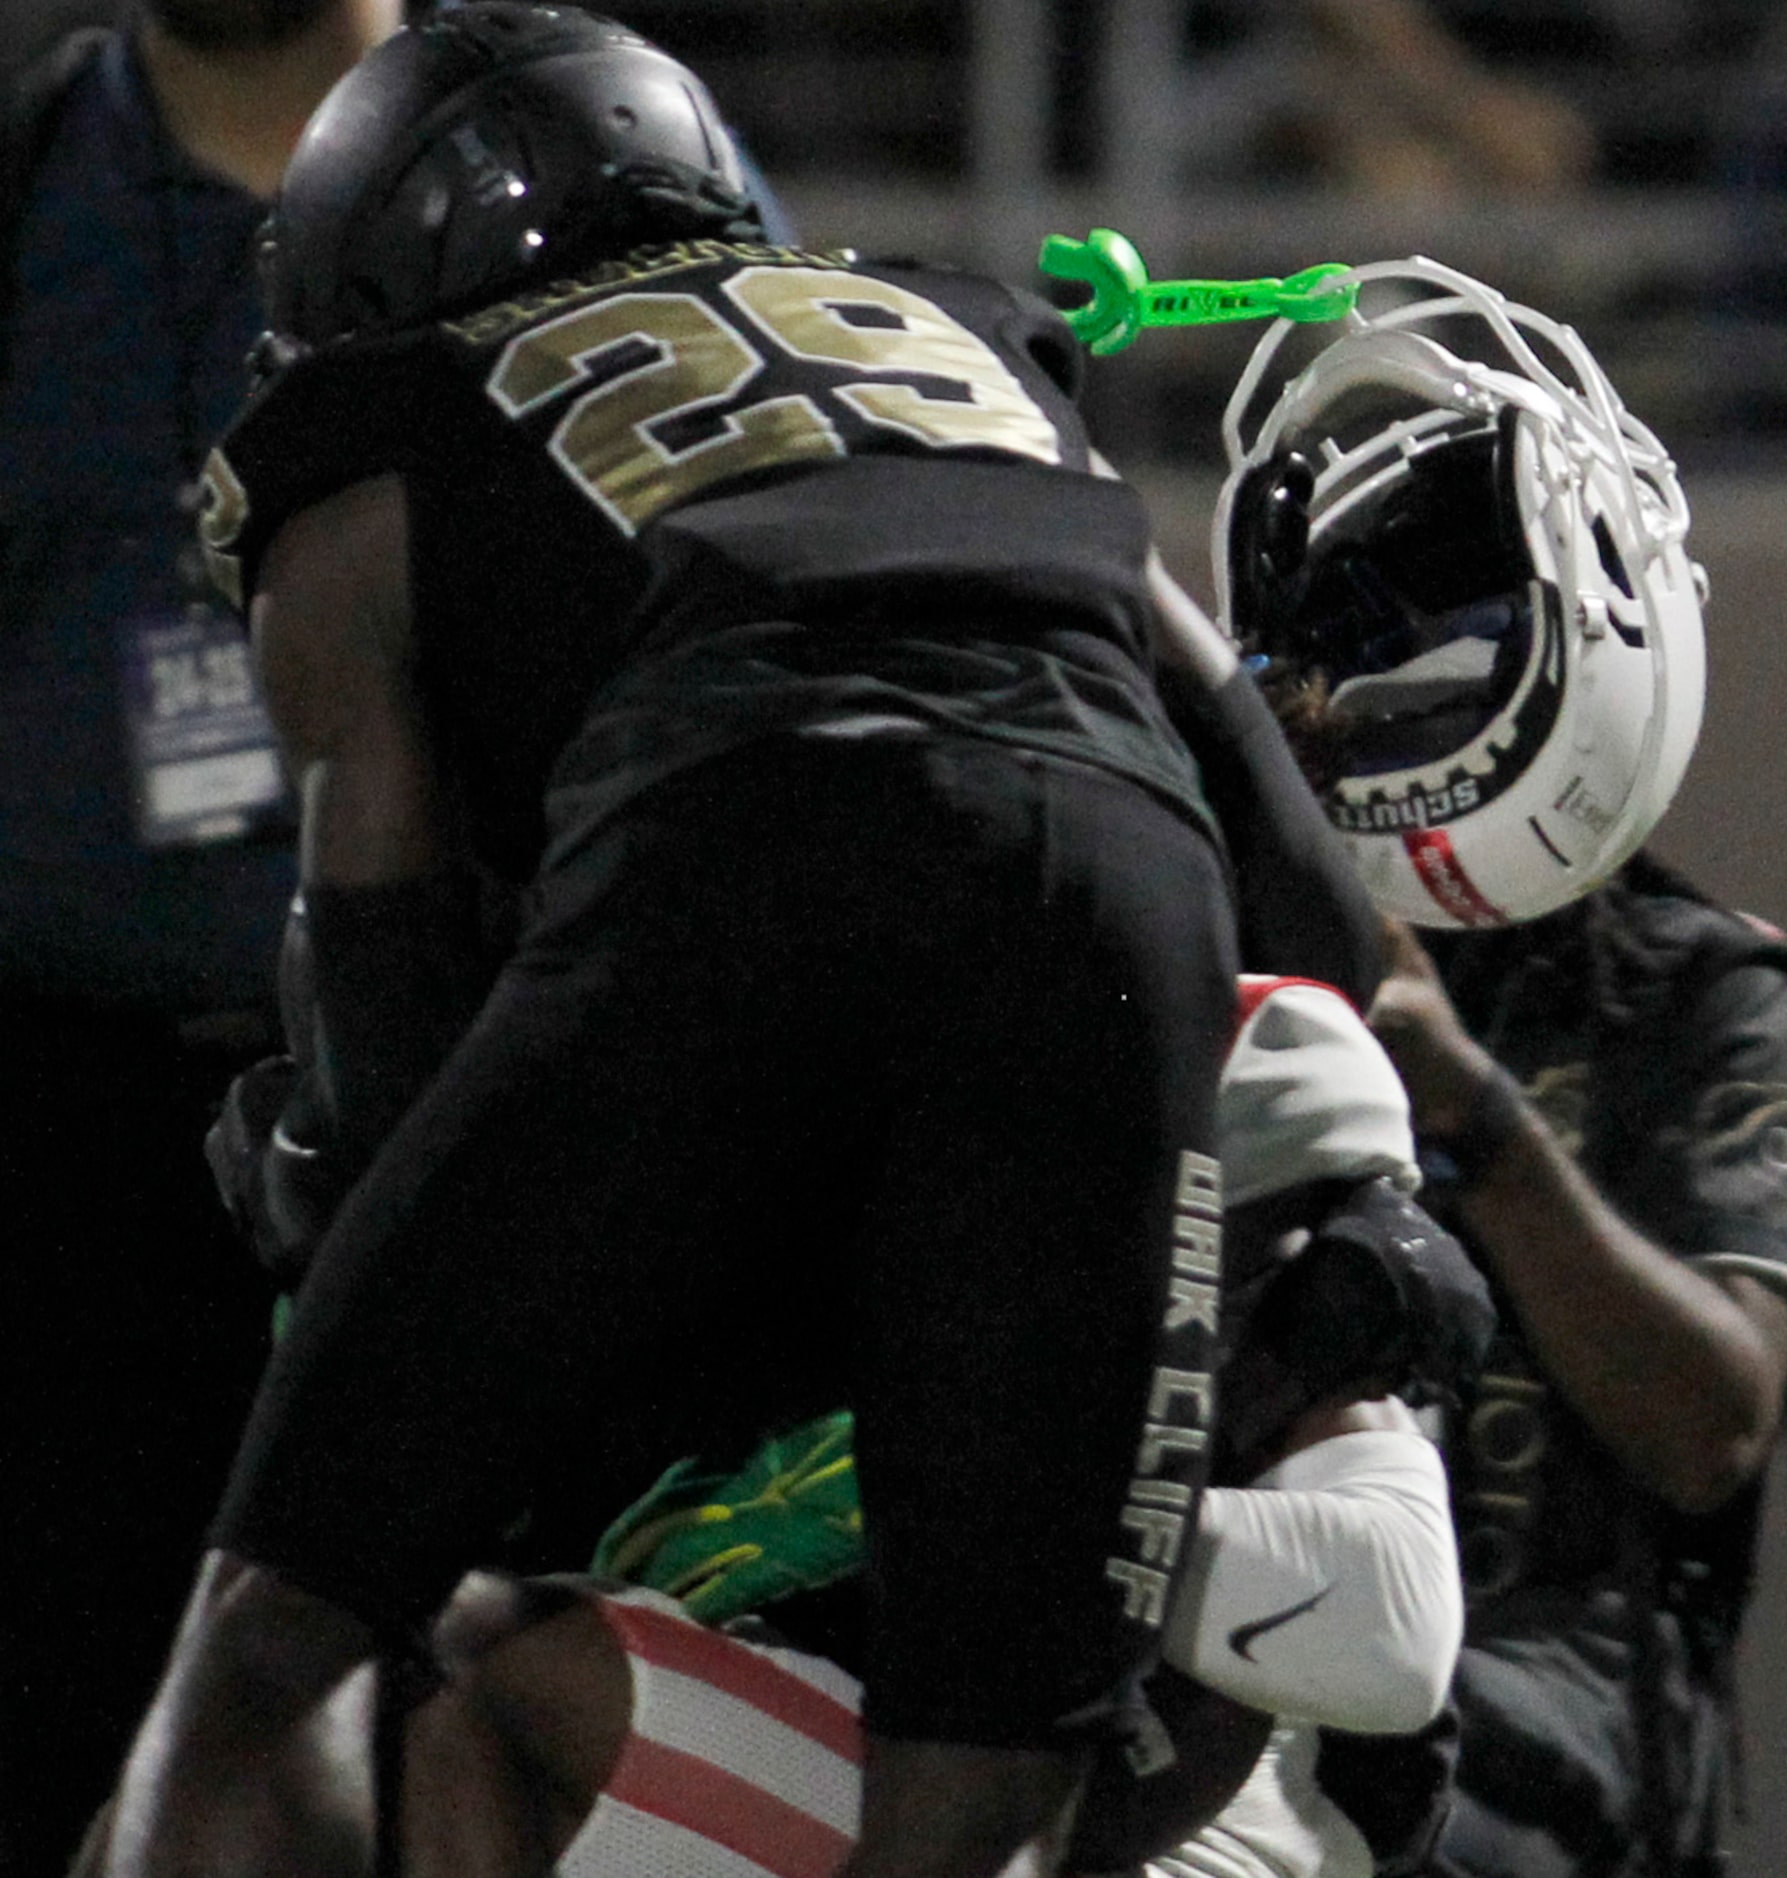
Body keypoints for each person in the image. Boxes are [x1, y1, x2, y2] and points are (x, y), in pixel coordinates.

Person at [86, 8, 1385, 1875]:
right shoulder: (961, 337)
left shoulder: (366, 450)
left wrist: (371, 1216)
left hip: (727, 846)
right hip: (1118, 883)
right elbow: (1299, 879)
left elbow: (388, 1013)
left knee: (280, 1637)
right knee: (979, 1782)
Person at [71, 969, 1481, 1878]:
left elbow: (1396, 1633)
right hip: (940, 1799)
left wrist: (996, 1487)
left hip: (1155, 1846)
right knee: (341, 1718)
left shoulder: (1311, 1344)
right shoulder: (853, 1240)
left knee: (490, 1670)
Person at [1210, 257, 1787, 1878]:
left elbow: (1714, 1423)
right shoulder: (1244, 907)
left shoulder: (1699, 986)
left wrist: (1463, 1102)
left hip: (1555, 1689)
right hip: (1272, 1588)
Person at [0, 4, 401, 1871]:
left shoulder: (581, 147)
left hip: (447, 1118)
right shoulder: (28, 180)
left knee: (436, 1721)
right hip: (64, 1122)